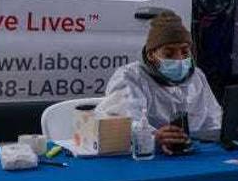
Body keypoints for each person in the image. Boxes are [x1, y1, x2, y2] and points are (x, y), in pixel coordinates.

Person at [95, 12, 222, 154]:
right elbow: (123, 121)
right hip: (146, 156)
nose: (179, 59)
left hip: (193, 153)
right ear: (151, 55)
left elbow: (214, 118)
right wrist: (153, 136)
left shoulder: (197, 77)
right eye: (169, 54)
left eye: (185, 52)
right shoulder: (130, 77)